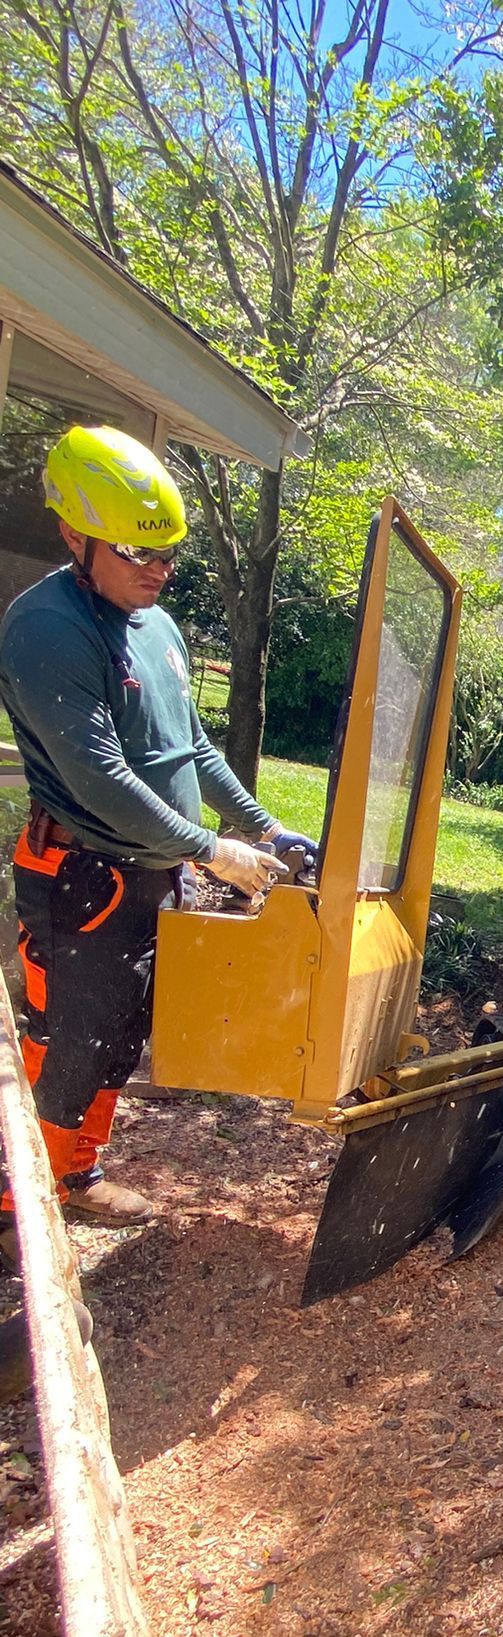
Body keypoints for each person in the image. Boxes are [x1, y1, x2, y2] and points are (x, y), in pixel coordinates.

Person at [0, 423, 317, 1229]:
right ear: (74, 534)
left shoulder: (158, 625)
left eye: (167, 554)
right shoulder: (47, 631)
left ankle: (75, 1178)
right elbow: (97, 777)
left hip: (152, 869)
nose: (159, 572)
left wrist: (264, 829)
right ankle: (17, 1213)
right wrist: (213, 850)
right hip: (83, 874)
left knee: (116, 1035)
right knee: (66, 1041)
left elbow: (191, 749)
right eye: (137, 554)